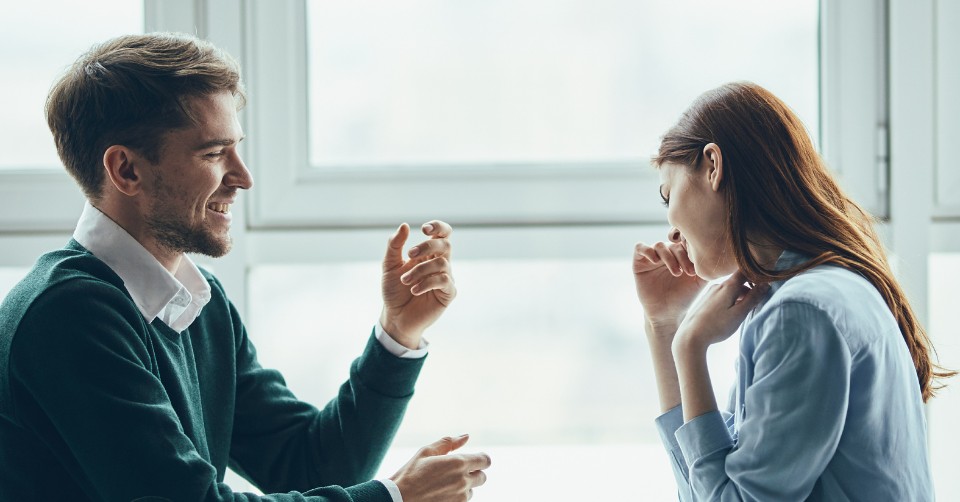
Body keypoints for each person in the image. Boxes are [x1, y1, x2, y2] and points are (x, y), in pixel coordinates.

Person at [0, 33, 490, 502]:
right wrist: (394, 498)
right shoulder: (68, 314)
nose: (244, 177)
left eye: (237, 147)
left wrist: (398, 332)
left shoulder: (193, 300)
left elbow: (310, 466)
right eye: (214, 153)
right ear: (126, 170)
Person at [632, 82, 950, 501]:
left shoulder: (800, 313)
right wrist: (665, 326)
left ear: (713, 165)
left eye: (667, 194)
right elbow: (707, 489)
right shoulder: (807, 294)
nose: (670, 228)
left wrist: (689, 348)